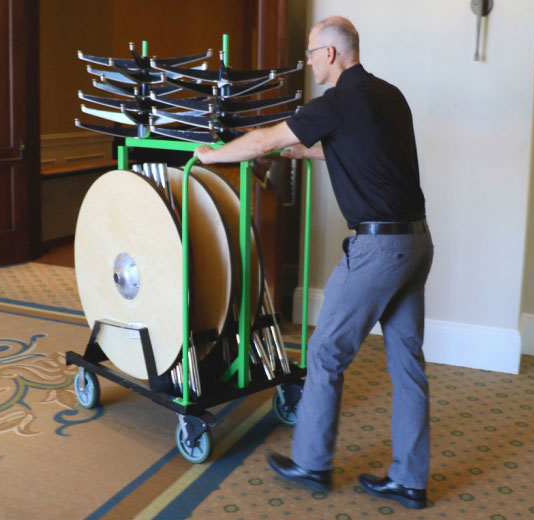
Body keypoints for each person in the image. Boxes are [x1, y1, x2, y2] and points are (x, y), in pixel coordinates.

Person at [193, 16, 434, 510]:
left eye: (309, 53)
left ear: (330, 54)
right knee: (407, 365)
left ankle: (311, 463)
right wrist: (299, 152)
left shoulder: (338, 101)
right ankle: (410, 478)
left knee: (325, 352)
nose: (307, 62)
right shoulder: (389, 95)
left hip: (377, 250)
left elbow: (261, 141)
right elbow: (353, 150)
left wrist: (214, 155)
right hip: (417, 243)